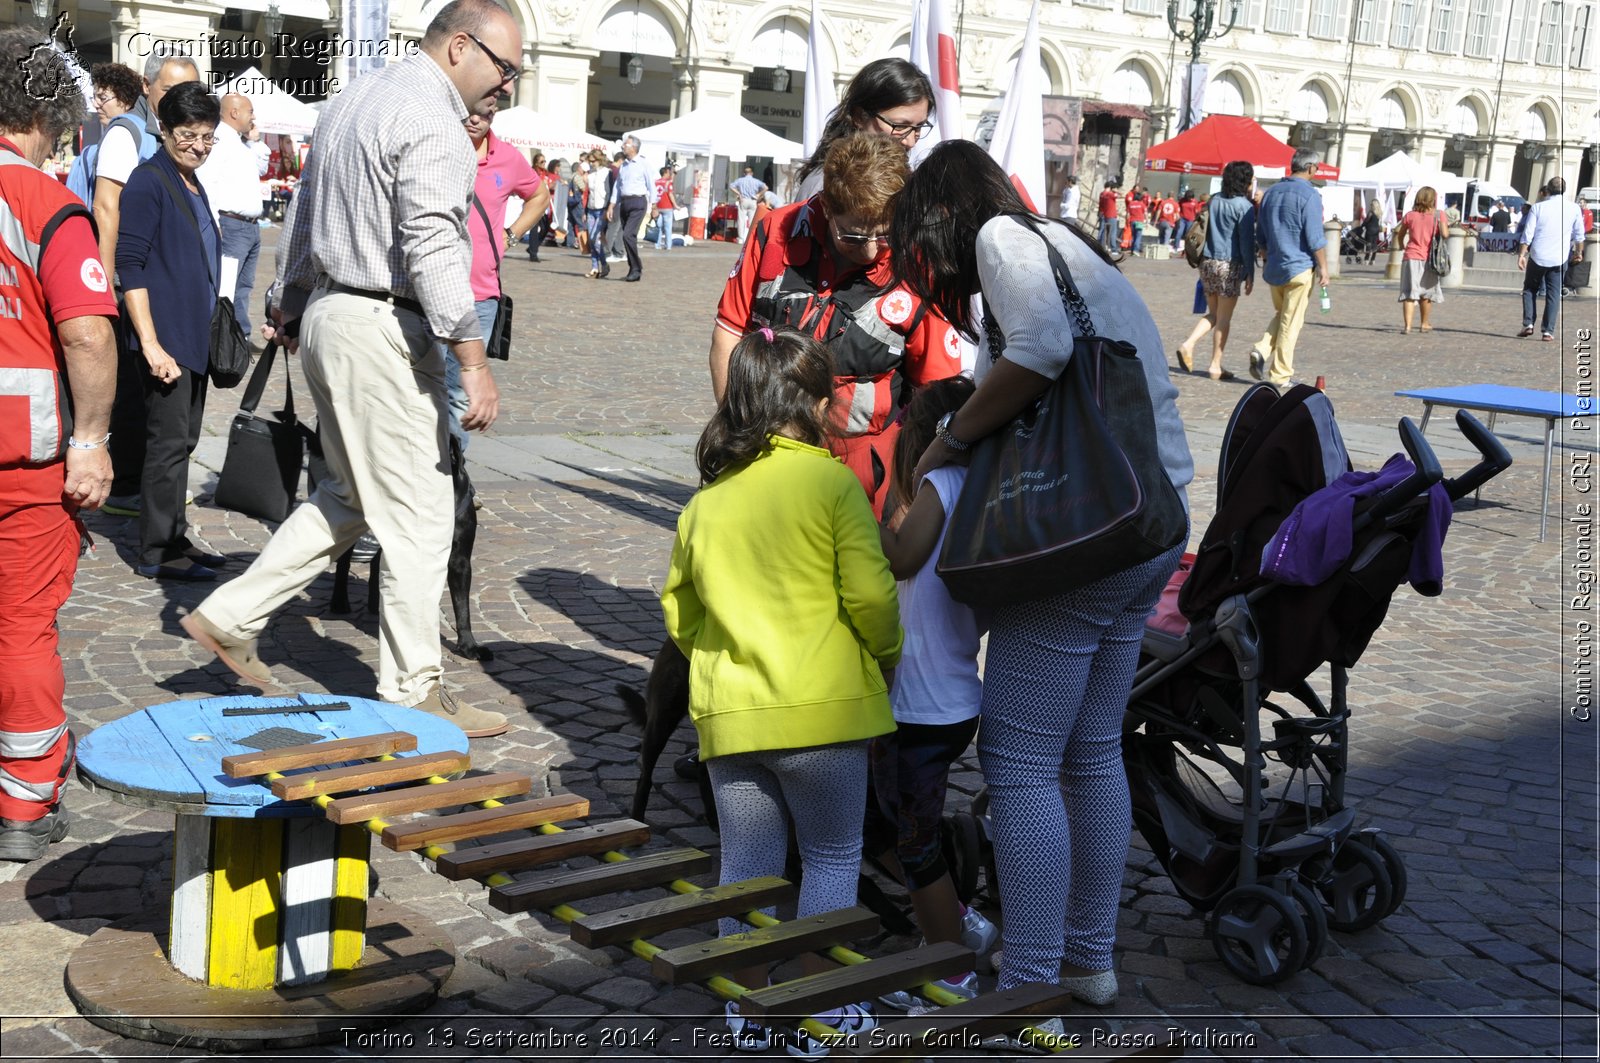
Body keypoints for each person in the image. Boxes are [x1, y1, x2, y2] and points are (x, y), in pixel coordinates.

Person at [888, 140, 1192, 1025]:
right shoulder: (1073, 246)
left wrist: (946, 444)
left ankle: (1026, 988)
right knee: (1092, 751)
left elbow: (1042, 350)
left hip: (1078, 540)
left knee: (1021, 766)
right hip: (1146, 523)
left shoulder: (1004, 241)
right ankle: (1089, 962)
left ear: (941, 216)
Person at [180, 0, 518, 739]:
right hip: (380, 326)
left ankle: (230, 614)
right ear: (461, 46)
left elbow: (303, 218)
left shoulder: (355, 97)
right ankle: (413, 690)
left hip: (337, 315)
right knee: (423, 513)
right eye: (505, 68)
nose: (509, 87)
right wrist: (472, 358)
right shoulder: (434, 122)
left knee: (349, 493)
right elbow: (432, 245)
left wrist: (292, 302)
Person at [661, 326, 900, 1055]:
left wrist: (724, 660)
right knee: (830, 858)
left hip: (734, 722)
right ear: (818, 404)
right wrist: (885, 660)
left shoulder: (707, 502)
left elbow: (681, 613)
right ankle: (819, 1005)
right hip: (825, 714)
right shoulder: (831, 481)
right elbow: (872, 597)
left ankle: (747, 1006)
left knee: (745, 867)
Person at [0, 27, 119, 862]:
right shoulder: (45, 202)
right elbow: (85, 335)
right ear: (47, 117)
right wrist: (93, 441)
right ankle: (25, 801)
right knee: (22, 627)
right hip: (24, 456)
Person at [710, 131, 960, 519]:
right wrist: (737, 431)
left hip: (861, 468)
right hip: (762, 446)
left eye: (886, 232)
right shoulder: (774, 232)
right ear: (826, 206)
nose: (873, 249)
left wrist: (906, 502)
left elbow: (935, 393)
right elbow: (728, 333)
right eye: (856, 235)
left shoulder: (919, 263)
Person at [868, 376, 999, 1013]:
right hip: (948, 699)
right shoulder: (982, 493)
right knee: (894, 826)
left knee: (914, 842)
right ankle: (958, 921)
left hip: (920, 708)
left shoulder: (943, 487)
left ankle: (950, 971)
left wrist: (852, 520)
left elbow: (899, 557)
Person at [116, 83, 229, 582]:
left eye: (208, 136)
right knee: (165, 447)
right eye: (189, 135)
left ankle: (175, 533)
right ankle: (156, 549)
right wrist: (152, 345)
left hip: (193, 337)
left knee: (182, 441)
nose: (199, 146)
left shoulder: (192, 182)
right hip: (166, 341)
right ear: (164, 130)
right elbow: (130, 266)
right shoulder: (149, 181)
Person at [100, 49, 202, 520]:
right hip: (134, 294)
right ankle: (145, 517)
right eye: (169, 89)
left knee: (172, 431)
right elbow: (109, 213)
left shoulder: (187, 161)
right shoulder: (131, 139)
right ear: (147, 87)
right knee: (143, 412)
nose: (180, 98)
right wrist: (105, 289)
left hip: (175, 307)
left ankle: (165, 525)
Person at [440, 107, 545, 453]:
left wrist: (511, 235)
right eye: (468, 112)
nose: (475, 119)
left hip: (480, 298)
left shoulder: (507, 158)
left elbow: (539, 195)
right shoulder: (437, 146)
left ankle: (451, 481)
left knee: (458, 394)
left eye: (483, 115)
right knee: (416, 390)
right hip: (428, 292)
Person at [792, 57, 935, 199]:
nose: (910, 142)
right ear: (860, 116)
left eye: (919, 127)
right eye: (900, 126)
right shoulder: (824, 187)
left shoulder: (908, 183)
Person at [1248, 148, 1328, 387]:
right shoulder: (1310, 195)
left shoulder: (1271, 193)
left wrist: (1265, 254)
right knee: (1291, 323)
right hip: (1300, 267)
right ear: (1311, 168)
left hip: (1275, 266)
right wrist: (1324, 267)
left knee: (1283, 316)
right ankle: (1280, 374)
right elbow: (1315, 237)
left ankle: (1261, 349)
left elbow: (1260, 232)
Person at [1174, 160, 1256, 380]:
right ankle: (1214, 365)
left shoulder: (1214, 200)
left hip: (1207, 263)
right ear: (1245, 180)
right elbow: (1247, 243)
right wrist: (1250, 274)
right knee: (1224, 319)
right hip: (1230, 264)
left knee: (1213, 313)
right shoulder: (1244, 206)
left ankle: (1188, 344)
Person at [196, 93, 262, 335]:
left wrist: (254, 140)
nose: (253, 117)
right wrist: (214, 222)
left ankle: (237, 337)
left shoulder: (238, 141)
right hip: (232, 224)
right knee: (228, 287)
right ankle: (224, 337)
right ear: (234, 112)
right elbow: (207, 182)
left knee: (243, 286)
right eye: (250, 111)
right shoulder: (220, 139)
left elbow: (261, 166)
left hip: (248, 226)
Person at [65, 62, 142, 208]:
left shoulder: (127, 141)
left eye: (102, 98)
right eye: (94, 97)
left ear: (125, 100)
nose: (95, 104)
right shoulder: (92, 151)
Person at [1518, 175, 1585, 341]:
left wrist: (1522, 254)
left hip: (1538, 254)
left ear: (1548, 189)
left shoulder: (1538, 207)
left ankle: (1528, 323)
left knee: (1529, 289)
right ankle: (1548, 331)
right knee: (1554, 294)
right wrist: (1579, 252)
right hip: (1559, 256)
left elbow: (1528, 234)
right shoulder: (1574, 208)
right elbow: (1579, 235)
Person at [1396, 185, 1447, 335]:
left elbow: (1400, 234)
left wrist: (1401, 245)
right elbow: (1445, 234)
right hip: (1430, 258)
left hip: (1411, 256)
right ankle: (1424, 324)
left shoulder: (1410, 215)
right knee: (1427, 292)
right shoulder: (1439, 215)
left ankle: (1408, 326)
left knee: (1409, 293)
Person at [609, 135, 650, 281]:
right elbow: (617, 186)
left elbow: (651, 184)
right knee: (626, 236)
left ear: (633, 147)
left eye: (625, 144)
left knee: (628, 235)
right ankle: (634, 268)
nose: (622, 147)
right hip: (625, 202)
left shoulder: (643, 163)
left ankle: (636, 268)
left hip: (638, 201)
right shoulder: (624, 166)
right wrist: (612, 204)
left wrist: (655, 205)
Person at [585, 149, 610, 278]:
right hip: (591, 209)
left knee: (596, 239)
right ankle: (594, 267)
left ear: (598, 160)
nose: (591, 163)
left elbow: (609, 192)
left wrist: (608, 208)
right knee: (591, 240)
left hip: (601, 209)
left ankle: (604, 264)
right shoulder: (590, 175)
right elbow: (588, 193)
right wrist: (585, 211)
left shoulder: (606, 173)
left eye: (592, 161)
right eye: (589, 161)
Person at [728, 165, 767, 243]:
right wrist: (758, 194)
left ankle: (741, 238)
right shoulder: (756, 181)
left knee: (741, 220)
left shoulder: (740, 180)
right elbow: (765, 187)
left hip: (744, 200)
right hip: (753, 200)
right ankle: (751, 238)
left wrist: (739, 193)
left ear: (744, 173)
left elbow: (731, 186)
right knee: (752, 220)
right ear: (751, 173)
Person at [652, 164, 678, 250]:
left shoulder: (656, 182)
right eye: (669, 173)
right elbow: (670, 194)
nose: (669, 174)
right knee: (667, 228)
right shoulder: (668, 183)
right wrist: (675, 205)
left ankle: (657, 245)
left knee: (658, 227)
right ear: (665, 173)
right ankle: (668, 246)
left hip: (658, 207)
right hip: (667, 207)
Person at [1359, 197, 1384, 263]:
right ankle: (1373, 259)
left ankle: (1366, 259)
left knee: (1368, 244)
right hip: (1376, 230)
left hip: (1370, 230)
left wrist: (1361, 226)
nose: (1370, 205)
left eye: (1371, 205)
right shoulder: (1379, 213)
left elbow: (1366, 221)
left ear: (1373, 205)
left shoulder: (1371, 212)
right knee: (1374, 245)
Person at [1097, 179, 1120, 251]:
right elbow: (1118, 195)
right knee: (1112, 232)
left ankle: (1100, 245)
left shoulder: (1102, 194)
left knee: (1102, 230)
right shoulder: (1110, 194)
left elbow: (1101, 204)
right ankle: (1113, 248)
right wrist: (1116, 191)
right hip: (1111, 215)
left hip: (1103, 214)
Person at [1125, 184, 1148, 253]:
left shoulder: (1130, 204)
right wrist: (1146, 222)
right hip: (1139, 221)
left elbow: (1128, 214)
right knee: (1138, 236)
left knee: (1133, 236)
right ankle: (1136, 250)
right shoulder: (1142, 204)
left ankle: (1132, 249)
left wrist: (1127, 222)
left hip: (1132, 221)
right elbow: (1146, 214)